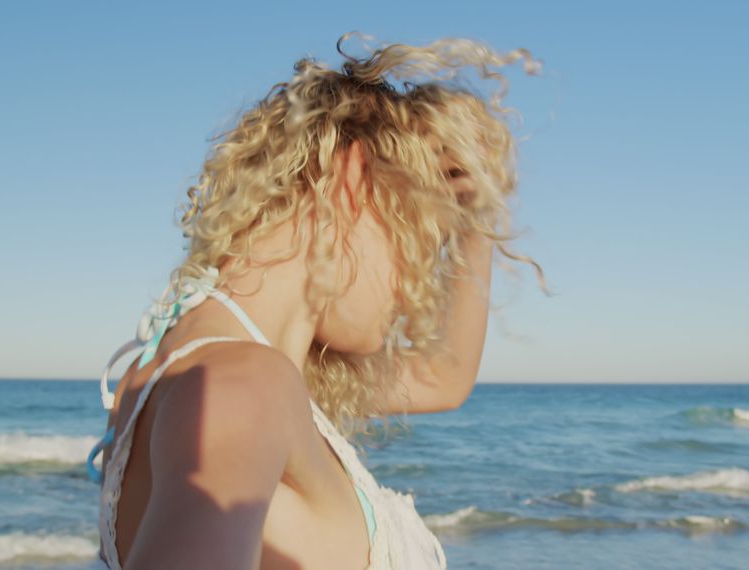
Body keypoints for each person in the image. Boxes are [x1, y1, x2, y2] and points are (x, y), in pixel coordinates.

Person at [86, 32, 546, 570]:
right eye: (422, 239)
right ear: (352, 183)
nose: (415, 285)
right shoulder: (242, 385)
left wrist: (474, 218)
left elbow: (442, 377)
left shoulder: (173, 373)